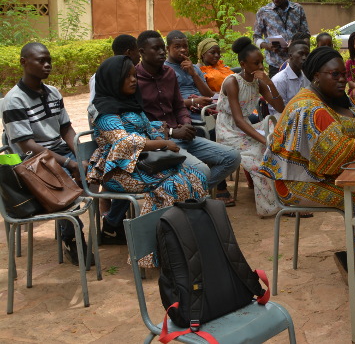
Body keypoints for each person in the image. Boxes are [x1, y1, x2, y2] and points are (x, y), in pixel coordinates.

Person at [263, 46, 355, 299]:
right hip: (295, 183)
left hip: (323, 174)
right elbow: (335, 154)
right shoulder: (310, 107)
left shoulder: (340, 99)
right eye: (335, 75)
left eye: (344, 74)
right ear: (316, 76)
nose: (343, 79)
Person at [87, 55, 208, 266]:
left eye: (134, 75)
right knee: (170, 186)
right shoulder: (104, 111)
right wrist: (163, 144)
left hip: (144, 165)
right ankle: (149, 254)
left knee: (195, 177)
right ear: (113, 79)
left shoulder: (131, 104)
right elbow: (123, 142)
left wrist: (166, 134)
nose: (133, 80)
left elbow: (150, 128)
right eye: (127, 77)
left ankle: (184, 243)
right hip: (119, 171)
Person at [2, 42, 91, 265]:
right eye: (40, 60)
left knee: (103, 165)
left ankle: (112, 225)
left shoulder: (53, 92)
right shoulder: (13, 100)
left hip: (57, 151)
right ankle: (72, 238)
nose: (47, 64)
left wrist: (78, 157)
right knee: (64, 184)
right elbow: (27, 145)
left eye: (48, 60)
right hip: (31, 161)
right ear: (24, 62)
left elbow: (66, 129)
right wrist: (70, 165)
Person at [135, 30, 241, 206]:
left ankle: (184, 197)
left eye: (162, 48)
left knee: (232, 157)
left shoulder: (169, 74)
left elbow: (178, 106)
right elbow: (138, 121)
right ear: (142, 52)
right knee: (202, 170)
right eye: (156, 49)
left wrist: (186, 123)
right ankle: (187, 200)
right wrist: (172, 131)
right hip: (158, 143)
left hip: (182, 134)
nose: (161, 52)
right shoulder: (134, 80)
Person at [215, 38, 285, 217]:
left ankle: (283, 196)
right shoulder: (233, 82)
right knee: (260, 159)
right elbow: (238, 120)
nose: (261, 67)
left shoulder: (258, 81)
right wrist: (264, 140)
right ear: (243, 64)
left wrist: (269, 83)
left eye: (262, 62)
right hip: (229, 131)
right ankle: (270, 208)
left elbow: (280, 108)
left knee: (278, 121)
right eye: (256, 63)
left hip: (246, 127)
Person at [86, 34, 140, 243]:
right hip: (114, 149)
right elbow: (96, 112)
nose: (139, 55)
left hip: (131, 148)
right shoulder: (103, 80)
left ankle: (113, 224)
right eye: (137, 50)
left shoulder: (129, 91)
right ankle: (116, 224)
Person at [253, 0, 310, 76]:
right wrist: (268, 46)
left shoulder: (298, 9)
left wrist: (295, 46)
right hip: (275, 65)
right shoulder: (263, 12)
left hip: (297, 62)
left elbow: (306, 34)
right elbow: (256, 37)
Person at [164, 30, 213, 120]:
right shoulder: (165, 70)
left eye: (185, 46)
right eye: (177, 47)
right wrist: (192, 102)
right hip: (185, 113)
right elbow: (167, 103)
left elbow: (209, 95)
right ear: (168, 49)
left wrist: (194, 74)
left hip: (204, 109)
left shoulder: (194, 68)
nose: (182, 50)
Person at [271, 42, 310, 112]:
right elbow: (277, 111)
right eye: (301, 54)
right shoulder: (279, 80)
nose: (304, 58)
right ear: (290, 56)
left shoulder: (307, 77)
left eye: (307, 55)